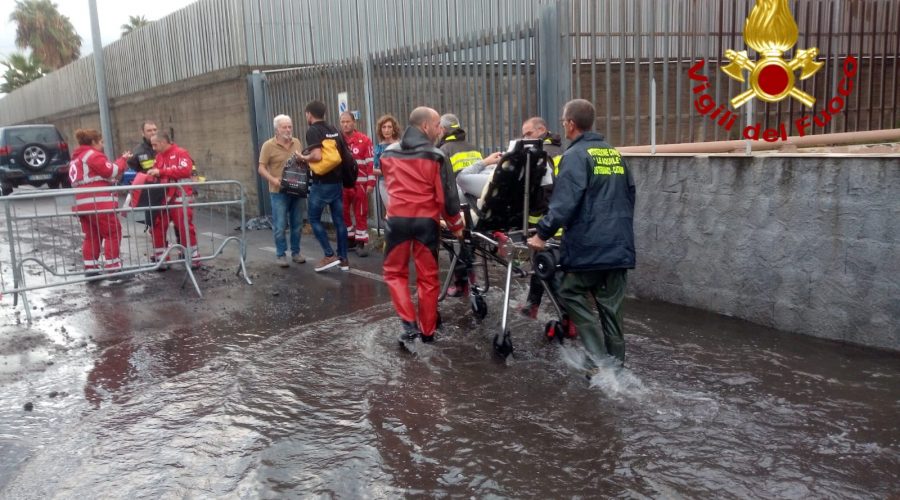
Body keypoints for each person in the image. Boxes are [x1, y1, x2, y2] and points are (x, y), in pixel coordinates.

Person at [527, 99, 635, 370]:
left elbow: (564, 203)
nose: (563, 126)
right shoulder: (614, 154)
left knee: (571, 291)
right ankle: (616, 370)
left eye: (564, 121)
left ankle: (597, 360)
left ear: (572, 124)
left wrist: (541, 235)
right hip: (619, 245)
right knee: (611, 309)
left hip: (590, 245)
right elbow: (630, 195)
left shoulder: (575, 156)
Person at [380, 107, 464, 344]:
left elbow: (390, 188)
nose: (440, 130)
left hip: (396, 222)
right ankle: (427, 333)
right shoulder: (436, 155)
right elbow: (447, 197)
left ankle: (408, 325)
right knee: (428, 279)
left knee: (395, 274)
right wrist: (456, 224)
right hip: (426, 224)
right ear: (426, 127)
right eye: (438, 125)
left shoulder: (387, 154)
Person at [518, 116, 564, 319]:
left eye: (528, 134)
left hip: (547, 222)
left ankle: (565, 317)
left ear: (541, 130)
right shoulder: (561, 151)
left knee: (548, 268)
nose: (525, 138)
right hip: (561, 221)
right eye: (523, 135)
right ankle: (532, 305)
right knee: (542, 264)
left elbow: (545, 192)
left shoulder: (542, 154)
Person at [68, 129, 130, 276]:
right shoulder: (92, 155)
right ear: (93, 142)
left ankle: (91, 268)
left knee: (92, 235)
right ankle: (114, 267)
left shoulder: (76, 159)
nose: (102, 146)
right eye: (101, 142)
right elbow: (111, 171)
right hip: (99, 203)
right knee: (112, 233)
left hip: (83, 205)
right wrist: (123, 160)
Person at [298, 100, 350, 272]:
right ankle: (343, 259)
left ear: (309, 114)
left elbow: (317, 156)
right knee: (339, 221)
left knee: (313, 219)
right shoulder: (334, 129)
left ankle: (329, 254)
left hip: (322, 183)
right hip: (337, 182)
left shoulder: (313, 130)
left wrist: (302, 158)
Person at [437, 113, 483, 298]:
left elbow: (444, 182)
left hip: (457, 204)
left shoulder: (443, 149)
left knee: (455, 244)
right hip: (474, 203)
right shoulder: (473, 148)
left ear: (442, 129)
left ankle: (460, 284)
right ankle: (472, 280)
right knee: (469, 243)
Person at [258, 114, 306, 267]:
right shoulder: (268, 145)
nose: (288, 129)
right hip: (278, 192)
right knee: (280, 225)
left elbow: (303, 163)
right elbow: (261, 168)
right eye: (284, 127)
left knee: (297, 223)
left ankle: (296, 252)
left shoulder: (297, 142)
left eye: (289, 126)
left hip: (297, 189)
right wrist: (273, 180)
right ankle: (280, 254)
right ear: (277, 129)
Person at [147, 131, 200, 270]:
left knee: (184, 228)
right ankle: (161, 259)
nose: (153, 148)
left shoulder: (181, 153)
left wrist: (161, 172)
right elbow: (156, 174)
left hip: (179, 198)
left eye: (155, 145)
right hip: (163, 199)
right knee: (157, 227)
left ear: (163, 142)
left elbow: (185, 170)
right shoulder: (158, 157)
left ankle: (192, 257)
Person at [339, 111, 375, 257]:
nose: (345, 124)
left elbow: (370, 163)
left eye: (348, 121)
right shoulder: (337, 141)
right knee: (343, 212)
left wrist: (371, 183)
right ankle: (350, 239)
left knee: (361, 213)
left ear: (354, 122)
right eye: (343, 122)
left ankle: (361, 242)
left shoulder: (364, 140)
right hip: (342, 184)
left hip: (360, 184)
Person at [373, 114, 400, 221]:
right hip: (384, 183)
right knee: (391, 212)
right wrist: (389, 171)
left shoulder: (401, 146)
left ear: (394, 129)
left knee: (401, 211)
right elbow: (373, 169)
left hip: (400, 183)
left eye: (389, 127)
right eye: (384, 127)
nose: (386, 130)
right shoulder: (378, 148)